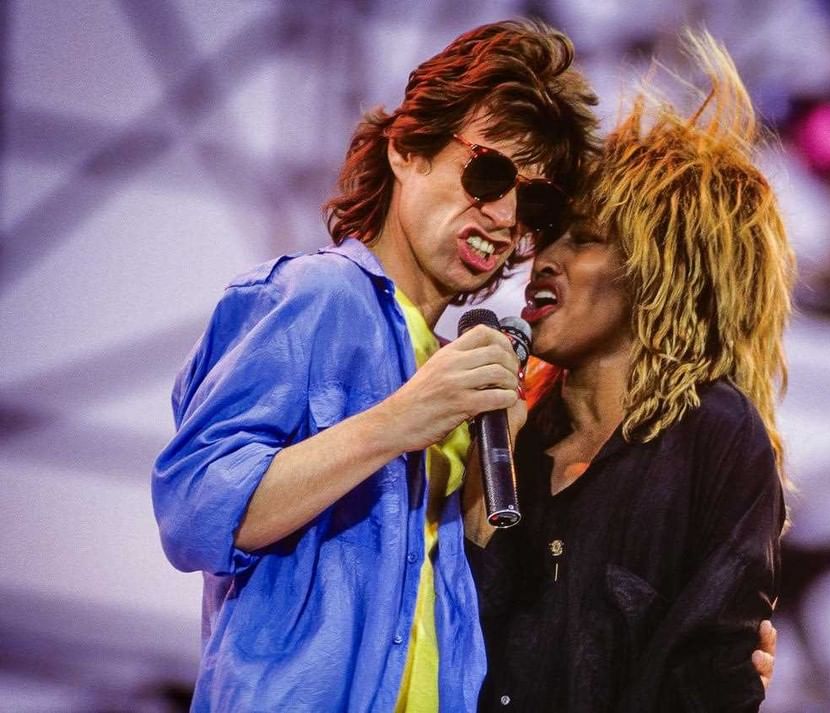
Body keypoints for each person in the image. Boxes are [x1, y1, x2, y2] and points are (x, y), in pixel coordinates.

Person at [151, 20, 600, 712]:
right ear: (407, 149)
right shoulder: (317, 297)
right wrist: (396, 422)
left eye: (533, 202)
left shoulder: (466, 374)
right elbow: (195, 509)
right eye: (487, 173)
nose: (505, 215)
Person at [466, 31, 794, 712]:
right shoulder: (506, 437)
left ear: (661, 270)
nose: (543, 257)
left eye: (584, 238)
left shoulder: (716, 436)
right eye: (548, 234)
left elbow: (708, 675)